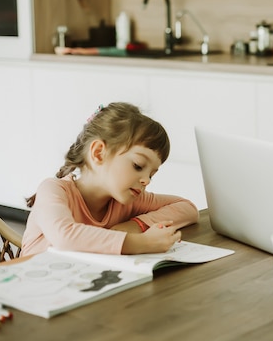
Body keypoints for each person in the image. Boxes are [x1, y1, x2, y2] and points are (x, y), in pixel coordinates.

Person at [21, 102, 199, 257]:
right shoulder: (53, 190)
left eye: (152, 174)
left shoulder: (129, 199)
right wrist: (143, 243)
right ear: (98, 153)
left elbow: (188, 209)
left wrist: (135, 225)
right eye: (138, 166)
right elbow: (64, 236)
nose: (146, 180)